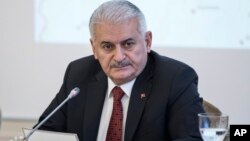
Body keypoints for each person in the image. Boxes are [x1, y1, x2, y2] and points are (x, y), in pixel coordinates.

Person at [36, 0, 205, 141]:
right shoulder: (78, 74)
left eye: (128, 44)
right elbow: (45, 134)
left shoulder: (175, 79)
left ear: (147, 42)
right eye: (107, 46)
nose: (119, 57)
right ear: (94, 48)